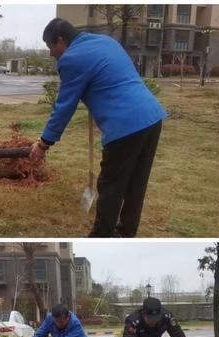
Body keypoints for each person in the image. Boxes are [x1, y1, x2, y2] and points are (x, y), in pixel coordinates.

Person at [30, 18, 167, 238]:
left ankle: (102, 235)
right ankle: (126, 233)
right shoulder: (105, 42)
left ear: (61, 41)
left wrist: (44, 143)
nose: (51, 53)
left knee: (110, 184)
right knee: (136, 183)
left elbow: (64, 107)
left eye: (50, 47)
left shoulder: (71, 59)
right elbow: (111, 77)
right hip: (152, 117)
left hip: (125, 125)